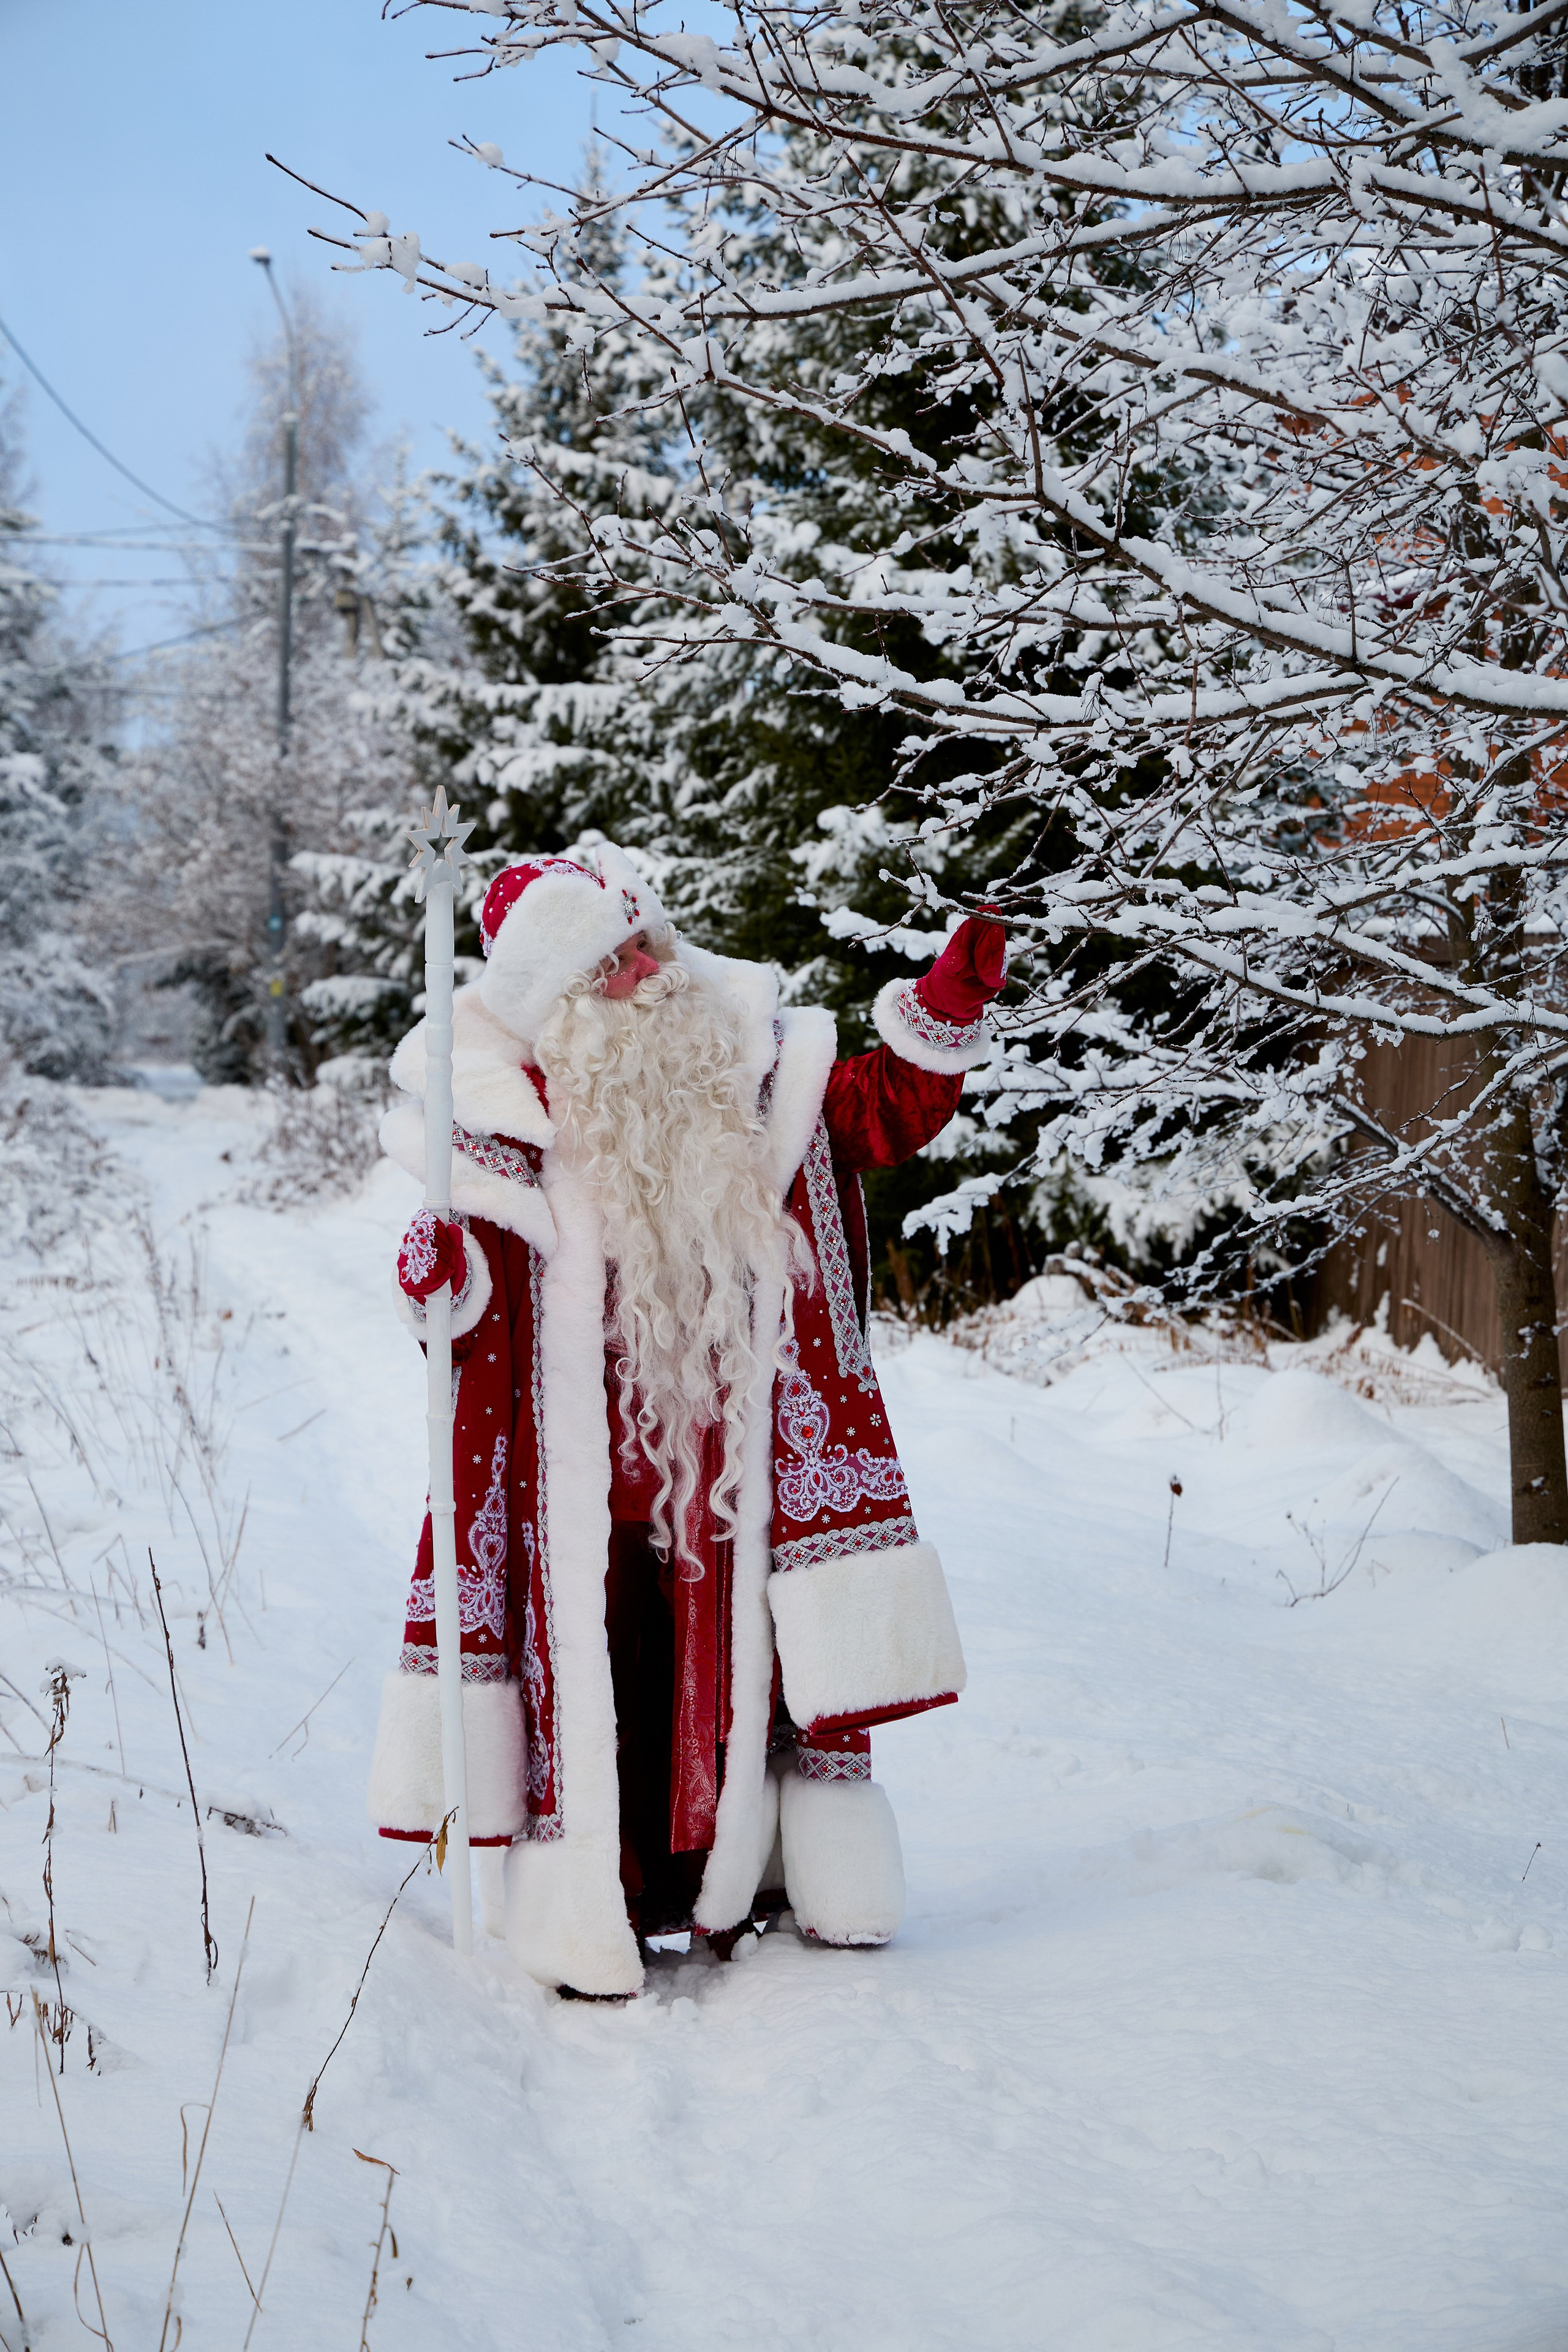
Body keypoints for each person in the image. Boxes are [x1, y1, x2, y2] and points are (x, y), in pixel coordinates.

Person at [367, 842, 1006, 1997]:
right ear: (557, 1006)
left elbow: (878, 1113)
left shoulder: (747, 1076)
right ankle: (593, 1901)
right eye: (607, 966)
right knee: (601, 1675)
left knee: (736, 1677)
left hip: (732, 1463)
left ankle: (753, 1878)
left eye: (643, 946)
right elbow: (469, 1308)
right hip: (582, 1480)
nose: (644, 975)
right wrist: (438, 1278)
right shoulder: (506, 1127)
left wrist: (943, 1008)